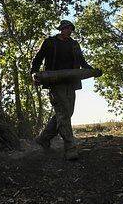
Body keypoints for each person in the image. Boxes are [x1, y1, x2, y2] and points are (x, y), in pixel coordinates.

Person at [30, 19, 93, 160]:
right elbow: (38, 58)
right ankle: (70, 147)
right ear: (61, 29)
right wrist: (34, 72)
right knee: (63, 112)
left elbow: (82, 61)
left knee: (67, 112)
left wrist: (92, 70)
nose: (68, 31)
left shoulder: (74, 44)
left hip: (71, 82)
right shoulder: (50, 42)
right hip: (54, 82)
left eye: (70, 29)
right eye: (66, 28)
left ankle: (43, 138)